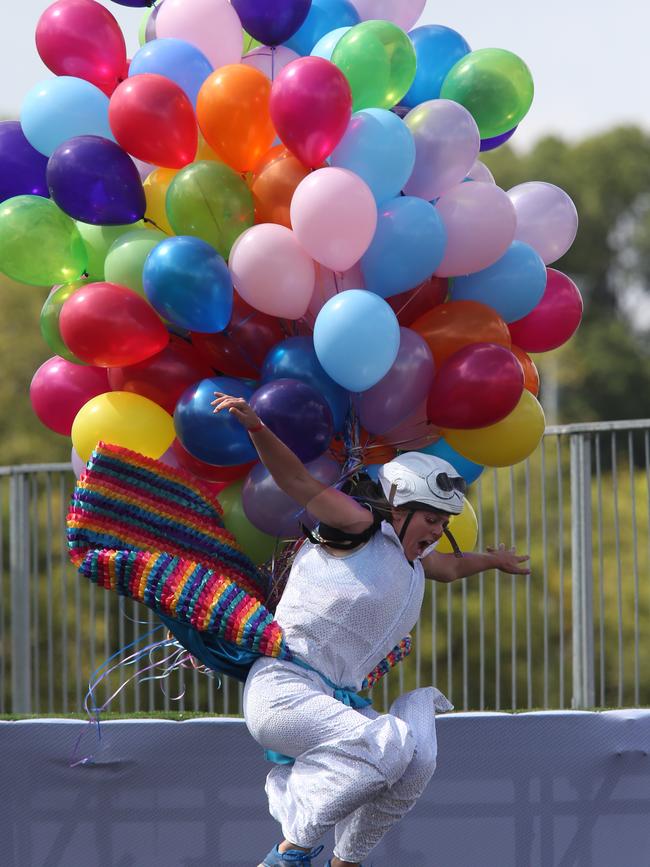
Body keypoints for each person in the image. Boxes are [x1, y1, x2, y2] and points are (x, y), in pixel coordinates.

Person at [211, 392, 530, 867]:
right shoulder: (360, 526)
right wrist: (257, 426)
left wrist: (493, 561)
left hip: (330, 701)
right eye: (430, 518)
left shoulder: (417, 562)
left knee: (416, 760)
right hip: (283, 691)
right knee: (391, 744)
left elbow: (451, 569)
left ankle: (346, 862)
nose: (437, 531)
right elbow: (296, 479)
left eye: (444, 523)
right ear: (398, 509)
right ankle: (287, 855)